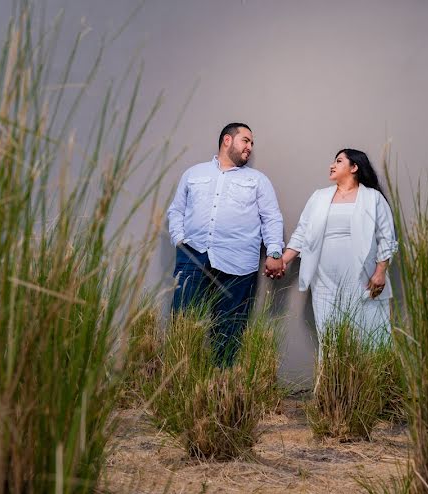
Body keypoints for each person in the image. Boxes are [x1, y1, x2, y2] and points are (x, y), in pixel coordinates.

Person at [167, 122, 285, 366]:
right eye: (246, 140)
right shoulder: (193, 174)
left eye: (252, 143)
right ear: (227, 140)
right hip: (193, 256)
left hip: (239, 263)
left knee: (230, 326)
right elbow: (176, 210)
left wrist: (275, 252)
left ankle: (221, 384)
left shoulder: (258, 180)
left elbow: (271, 218)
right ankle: (180, 380)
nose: (250, 147)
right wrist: (179, 240)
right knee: (183, 320)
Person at [279, 148, 397, 345]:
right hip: (325, 280)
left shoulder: (373, 198)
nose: (332, 165)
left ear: (354, 167)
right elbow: (302, 233)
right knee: (330, 336)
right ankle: (334, 376)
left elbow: (386, 236)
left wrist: (380, 272)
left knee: (369, 333)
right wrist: (282, 261)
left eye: (339, 161)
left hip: (362, 278)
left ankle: (369, 376)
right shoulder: (319, 197)